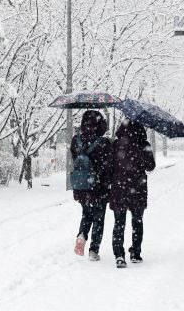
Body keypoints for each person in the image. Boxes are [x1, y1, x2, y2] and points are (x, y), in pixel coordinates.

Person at [110, 119, 156, 268]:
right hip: (138, 188)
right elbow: (151, 166)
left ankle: (119, 255)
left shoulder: (116, 145)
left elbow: (109, 166)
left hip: (119, 187)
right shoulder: (144, 145)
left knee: (119, 222)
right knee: (137, 221)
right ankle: (135, 253)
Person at [71, 110, 113, 261]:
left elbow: (76, 160)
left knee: (86, 214)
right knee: (99, 218)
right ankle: (93, 250)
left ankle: (82, 235)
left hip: (81, 186)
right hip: (98, 187)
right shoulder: (103, 143)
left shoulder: (76, 140)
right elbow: (109, 167)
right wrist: (107, 183)